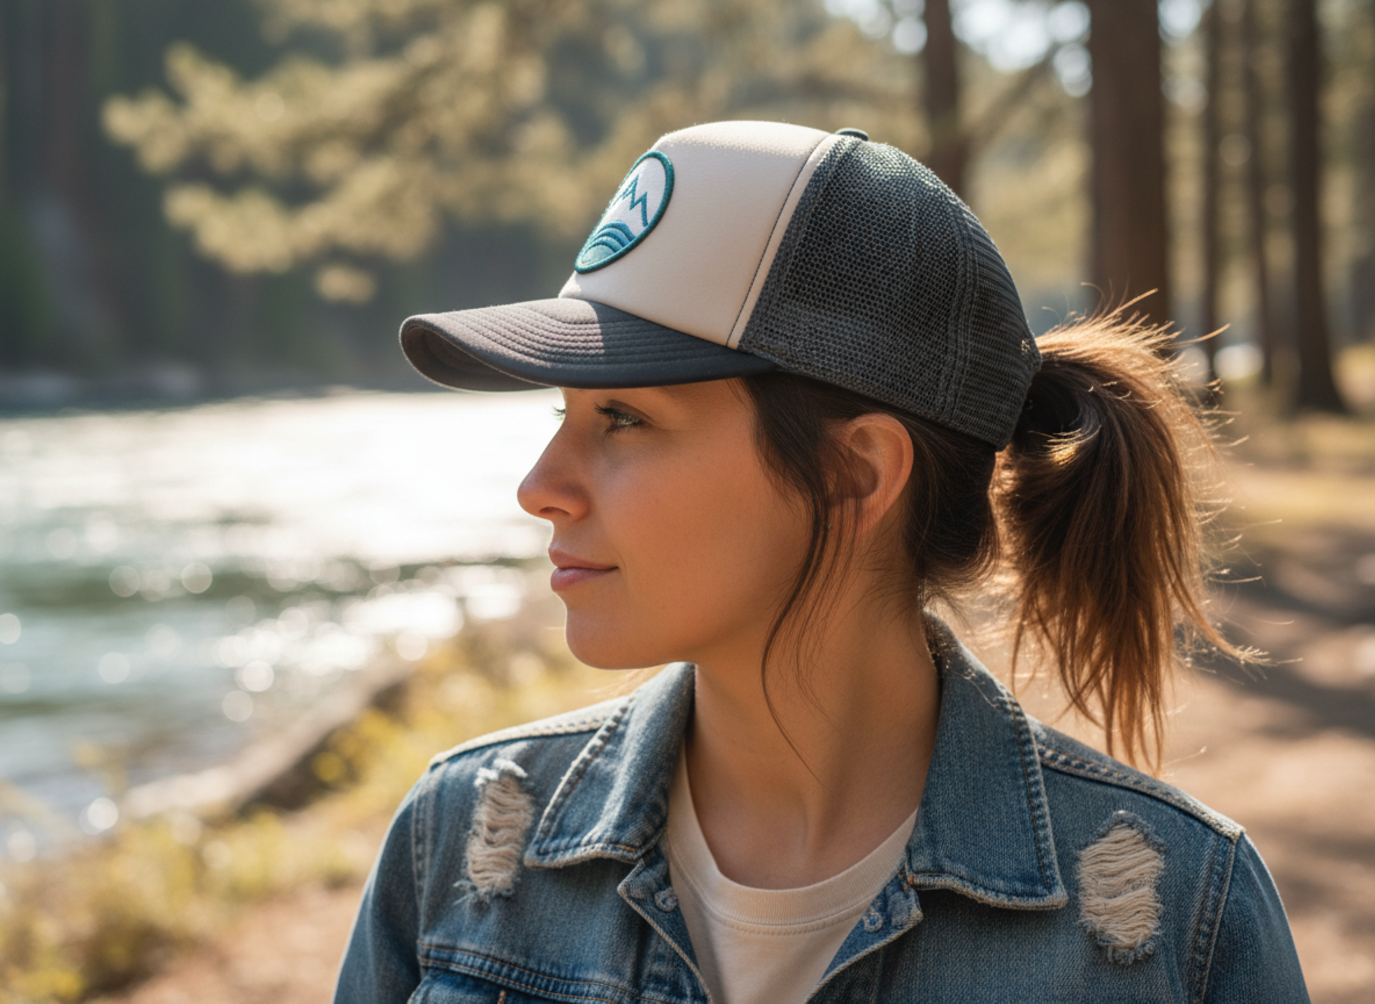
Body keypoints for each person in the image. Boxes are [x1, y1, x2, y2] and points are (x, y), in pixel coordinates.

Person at [334, 121, 1309, 1002]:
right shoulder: (461, 841)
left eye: (624, 418)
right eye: (566, 416)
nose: (540, 485)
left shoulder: (1178, 919)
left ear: (856, 471)